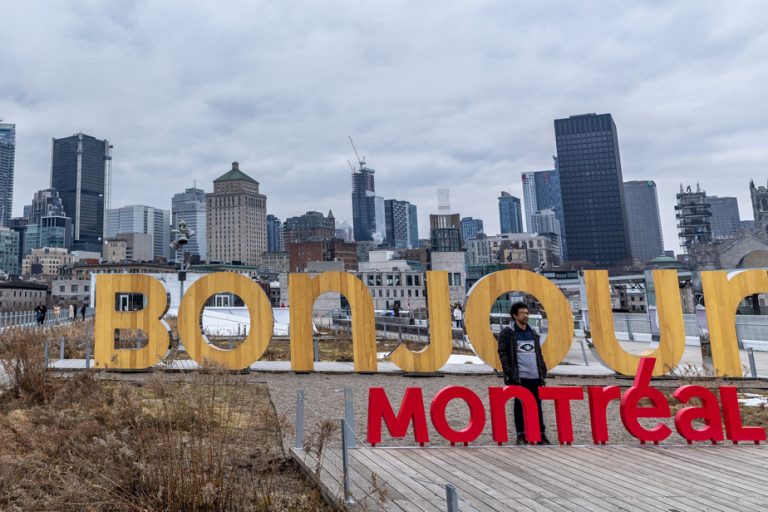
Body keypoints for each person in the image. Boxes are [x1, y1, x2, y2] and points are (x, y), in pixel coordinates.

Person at [497, 301, 550, 445]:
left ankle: (540, 434)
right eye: (522, 313)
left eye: (527, 313)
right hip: (519, 378)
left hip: (535, 376)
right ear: (514, 315)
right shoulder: (507, 333)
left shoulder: (532, 332)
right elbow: (503, 353)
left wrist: (542, 372)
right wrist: (509, 372)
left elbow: (539, 354)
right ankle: (521, 435)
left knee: (538, 406)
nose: (526, 315)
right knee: (519, 406)